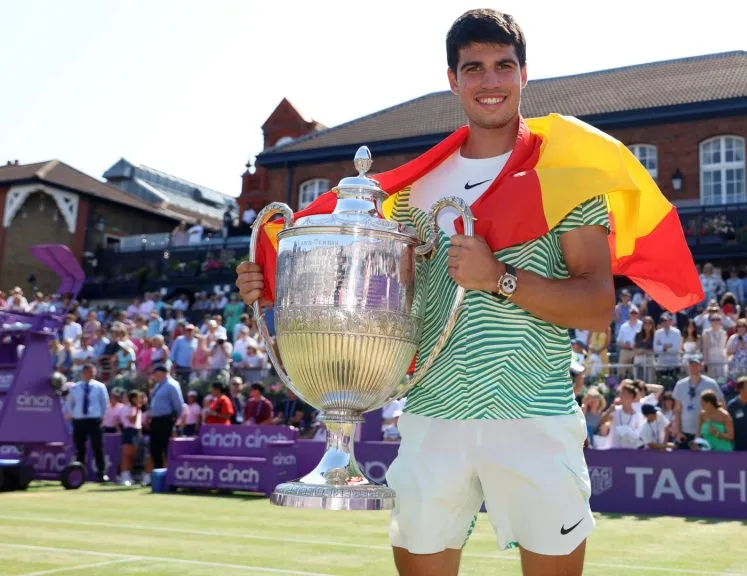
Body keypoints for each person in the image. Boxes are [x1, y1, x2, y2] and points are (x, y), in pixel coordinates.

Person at [236, 9, 701, 575]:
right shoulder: (412, 194)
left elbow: (597, 306)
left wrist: (499, 278)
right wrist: (280, 283)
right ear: (453, 79)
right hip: (433, 417)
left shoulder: (566, 175)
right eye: (474, 67)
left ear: (524, 75)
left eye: (504, 66)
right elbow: (375, 303)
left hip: (534, 416)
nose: (490, 81)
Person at [64, 363, 110, 482]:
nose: (92, 374)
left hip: (94, 419)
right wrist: (73, 414)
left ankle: (101, 473)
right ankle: (80, 473)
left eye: (93, 371)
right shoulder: (75, 387)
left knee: (97, 446)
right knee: (80, 448)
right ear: (83, 373)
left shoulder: (100, 387)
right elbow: (70, 403)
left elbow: (104, 403)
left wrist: (102, 417)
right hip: (79, 420)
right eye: (89, 371)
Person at [146, 365, 184, 472]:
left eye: (155, 374)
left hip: (165, 420)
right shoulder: (159, 385)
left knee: (165, 448)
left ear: (161, 373)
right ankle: (158, 473)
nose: (154, 376)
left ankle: (169, 473)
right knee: (154, 449)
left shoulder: (172, 385)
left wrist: (175, 421)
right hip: (155, 420)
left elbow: (178, 405)